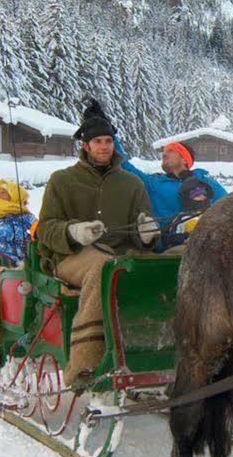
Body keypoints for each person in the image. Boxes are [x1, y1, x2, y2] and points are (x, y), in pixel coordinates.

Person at [35, 101, 158, 386]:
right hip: (71, 258)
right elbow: (46, 229)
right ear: (86, 146)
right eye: (98, 141)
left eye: (109, 141)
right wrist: (74, 232)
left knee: (161, 265)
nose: (104, 146)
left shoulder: (132, 184)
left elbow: (144, 229)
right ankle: (86, 362)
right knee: (105, 268)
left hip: (120, 254)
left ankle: (156, 347)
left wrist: (147, 234)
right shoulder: (62, 181)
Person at [122, 141, 226, 248]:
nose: (164, 154)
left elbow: (229, 207)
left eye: (171, 151)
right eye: (163, 152)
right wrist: (109, 133)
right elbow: (124, 166)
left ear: (185, 159)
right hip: (167, 250)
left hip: (204, 247)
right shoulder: (153, 183)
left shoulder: (205, 181)